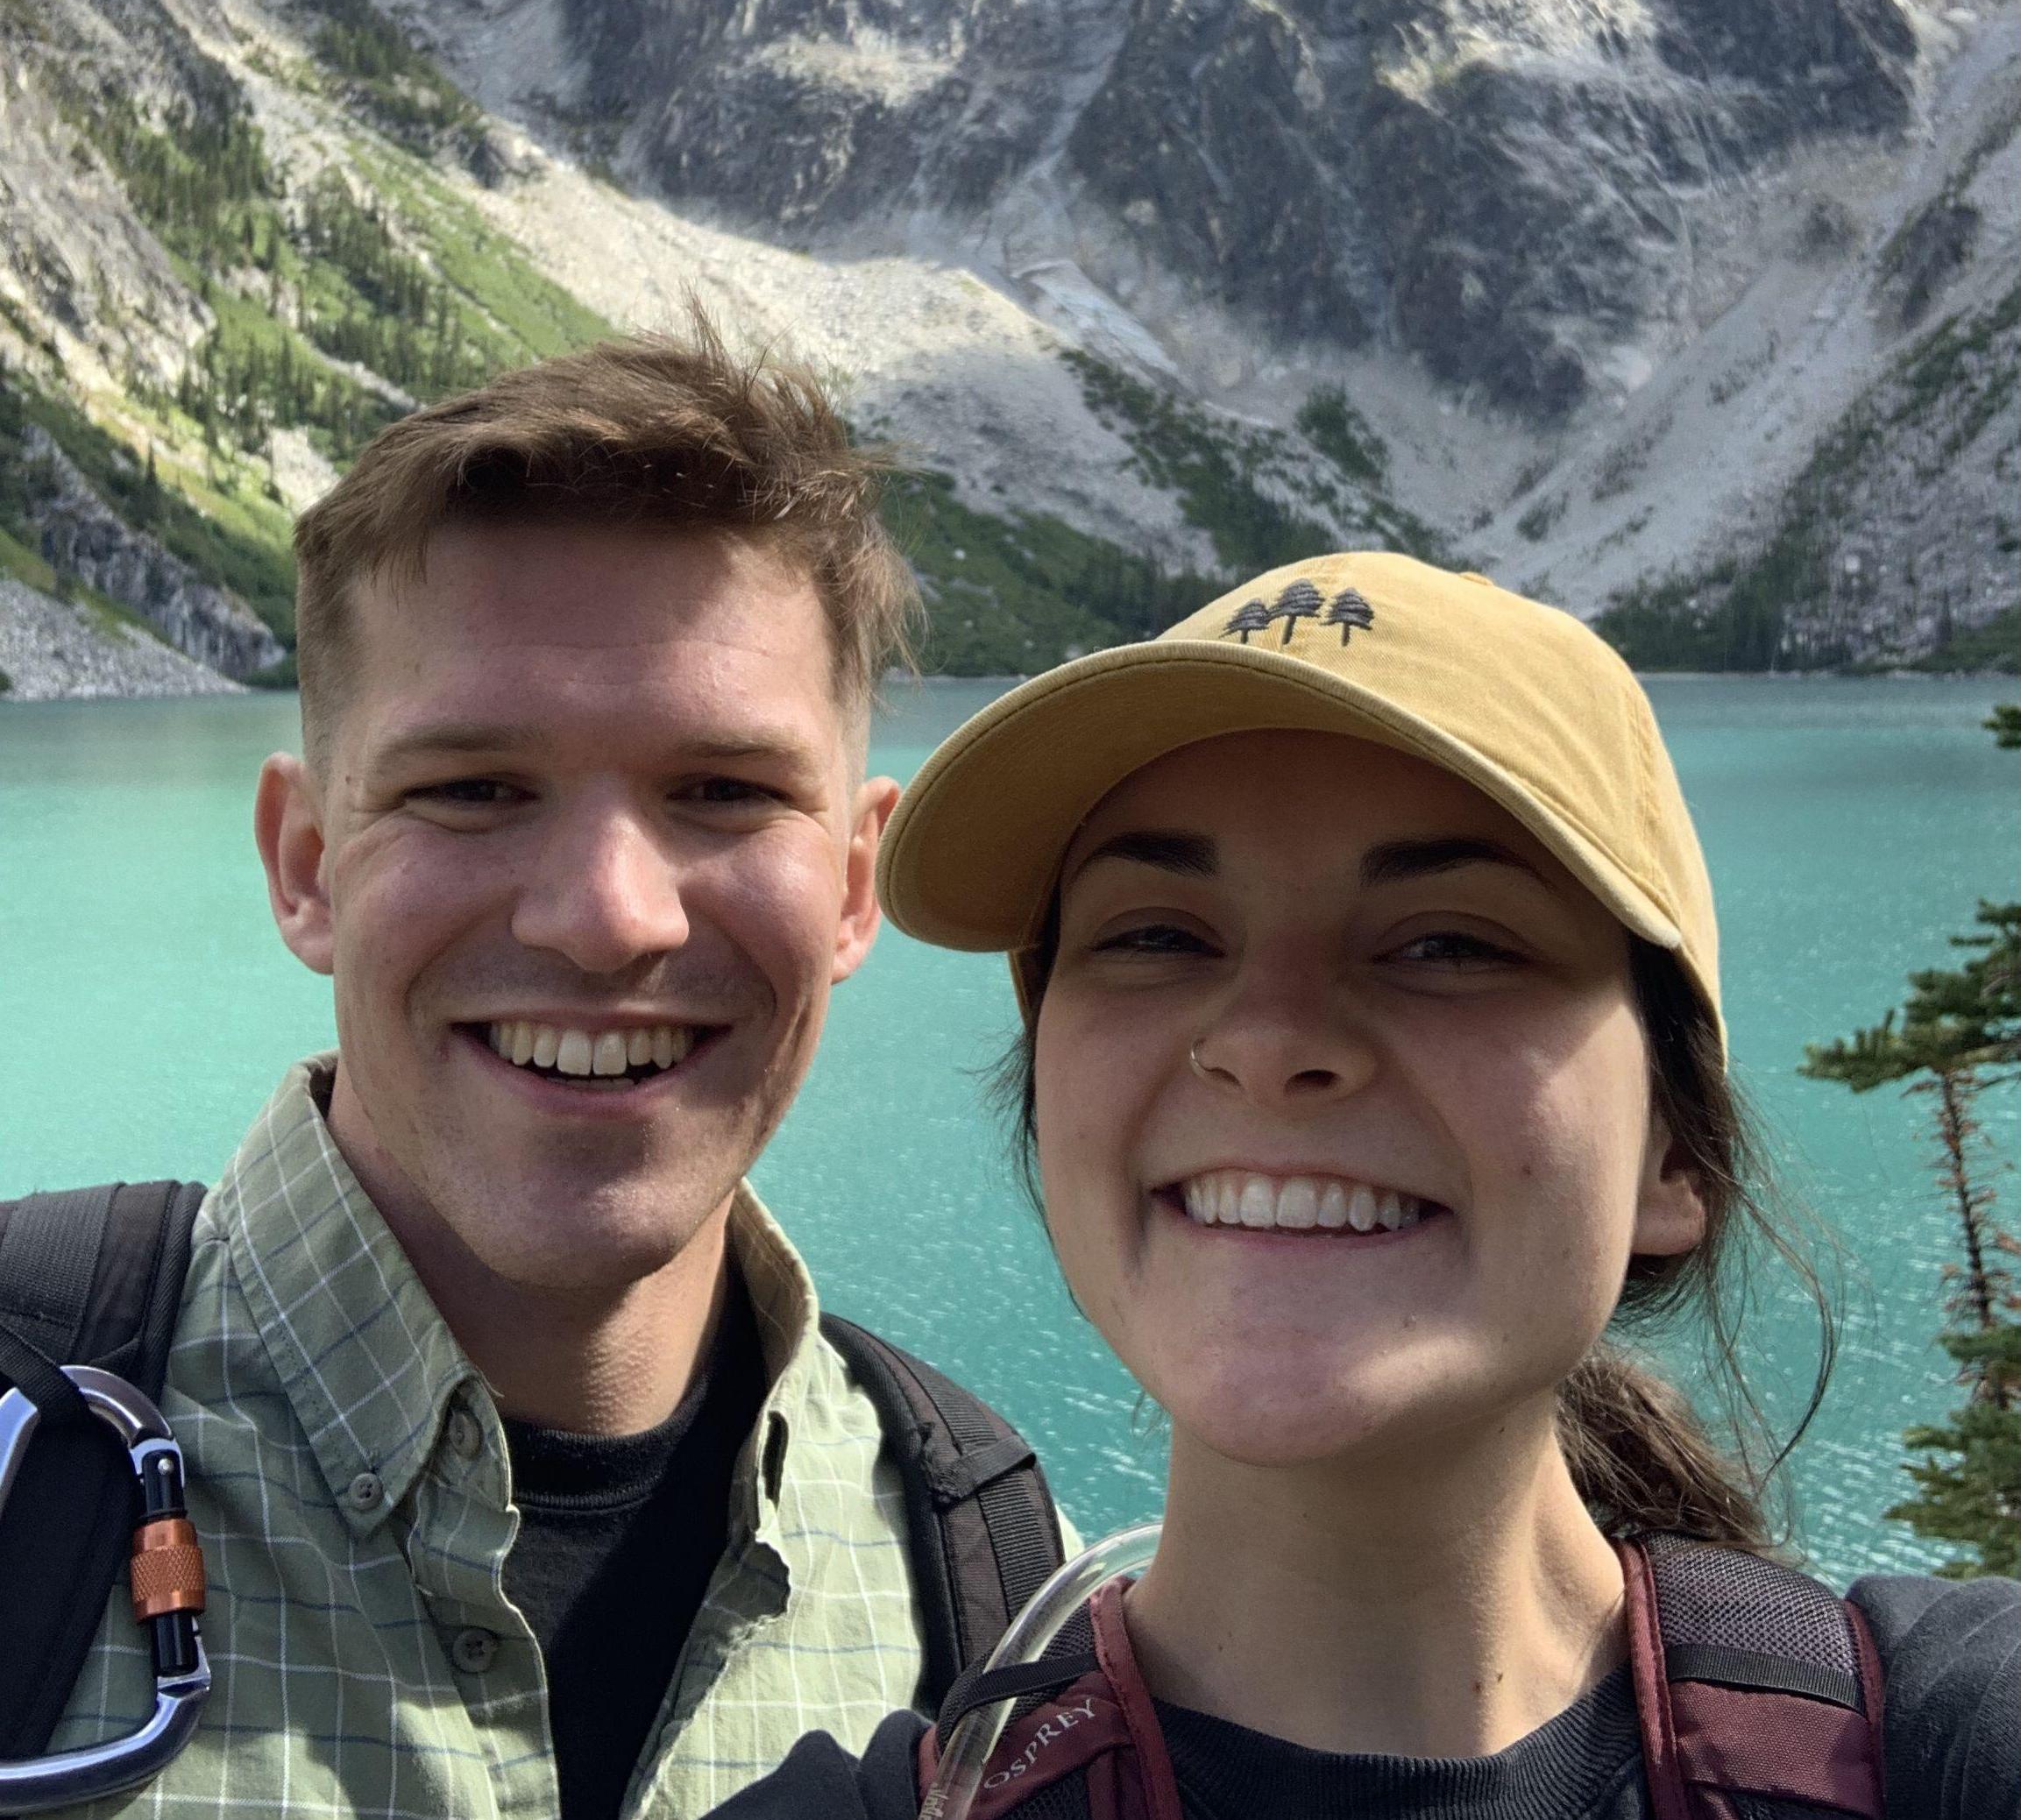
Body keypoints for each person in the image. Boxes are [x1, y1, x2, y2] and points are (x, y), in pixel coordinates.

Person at [715, 550, 2019, 1820]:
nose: (1270, 1038)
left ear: (1672, 1151)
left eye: (1449, 941)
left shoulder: (1952, 1739)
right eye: (1156, 934)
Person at [1, 329, 1068, 1819]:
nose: (606, 914)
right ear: (306, 865)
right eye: (474, 789)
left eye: (722, 791)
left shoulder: (985, 1567)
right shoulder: (20, 1433)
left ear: (850, 885)